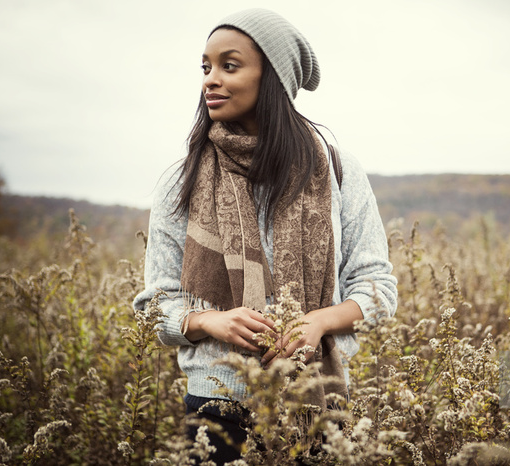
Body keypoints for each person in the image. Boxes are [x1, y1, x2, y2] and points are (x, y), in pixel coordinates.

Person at [133, 8, 397, 463]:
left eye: (229, 66)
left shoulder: (337, 170)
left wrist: (318, 322)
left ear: (271, 77)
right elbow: (153, 307)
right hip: (217, 412)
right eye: (206, 67)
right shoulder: (183, 180)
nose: (210, 80)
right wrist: (210, 321)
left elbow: (378, 288)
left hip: (318, 408)